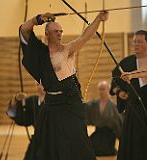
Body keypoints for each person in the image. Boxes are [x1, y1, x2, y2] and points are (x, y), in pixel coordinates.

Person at [19, 11, 108, 160]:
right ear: (47, 34)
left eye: (61, 31)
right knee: (48, 141)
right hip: (52, 104)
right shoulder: (40, 52)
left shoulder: (68, 49)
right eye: (56, 31)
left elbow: (85, 36)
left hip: (71, 103)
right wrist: (38, 19)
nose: (60, 34)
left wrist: (98, 19)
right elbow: (24, 29)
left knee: (78, 138)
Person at [110, 30, 147, 160]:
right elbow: (114, 80)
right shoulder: (126, 62)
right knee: (133, 141)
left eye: (140, 42)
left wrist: (132, 75)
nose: (136, 44)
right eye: (134, 42)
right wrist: (119, 92)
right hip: (134, 109)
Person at [7, 84, 45, 160]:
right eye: (38, 83)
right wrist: (16, 99)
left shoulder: (58, 103)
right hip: (36, 144)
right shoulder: (33, 101)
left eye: (42, 83)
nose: (40, 85)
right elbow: (15, 114)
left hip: (54, 142)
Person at [86, 81, 123, 156]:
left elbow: (118, 124)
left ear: (108, 90)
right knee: (89, 148)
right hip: (98, 132)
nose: (101, 91)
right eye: (99, 89)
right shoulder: (94, 104)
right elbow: (85, 109)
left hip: (109, 135)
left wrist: (121, 140)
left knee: (105, 151)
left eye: (103, 89)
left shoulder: (113, 106)